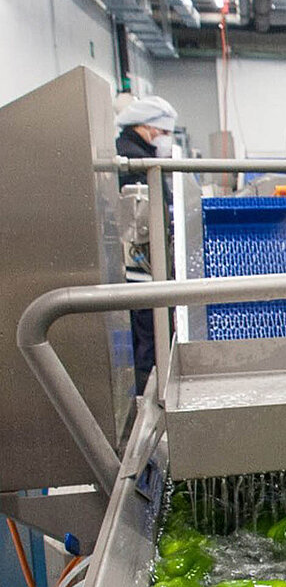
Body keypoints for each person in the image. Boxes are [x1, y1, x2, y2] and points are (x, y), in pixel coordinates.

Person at [115, 95, 178, 395]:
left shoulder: (136, 153)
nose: (166, 140)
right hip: (138, 261)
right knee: (147, 329)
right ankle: (147, 397)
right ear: (148, 128)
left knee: (150, 328)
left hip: (145, 259)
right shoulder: (131, 159)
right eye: (164, 133)